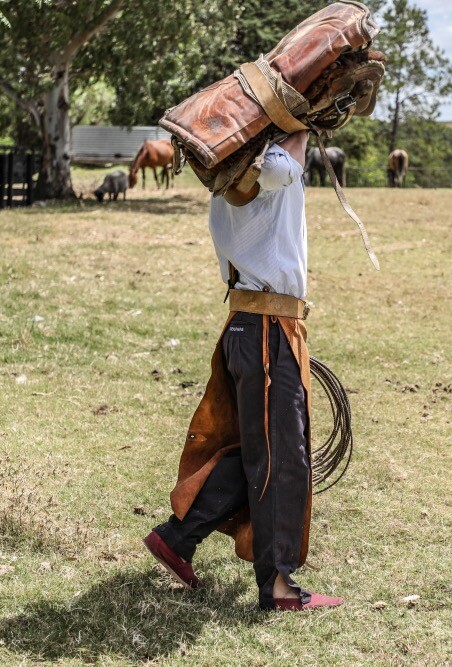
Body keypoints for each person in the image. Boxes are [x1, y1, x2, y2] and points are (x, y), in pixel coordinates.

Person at [144, 130, 343, 612]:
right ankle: (277, 587)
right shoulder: (267, 165)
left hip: (251, 326)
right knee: (283, 456)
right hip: (265, 328)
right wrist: (296, 125)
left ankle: (178, 538)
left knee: (259, 448)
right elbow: (281, 168)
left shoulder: (227, 179)